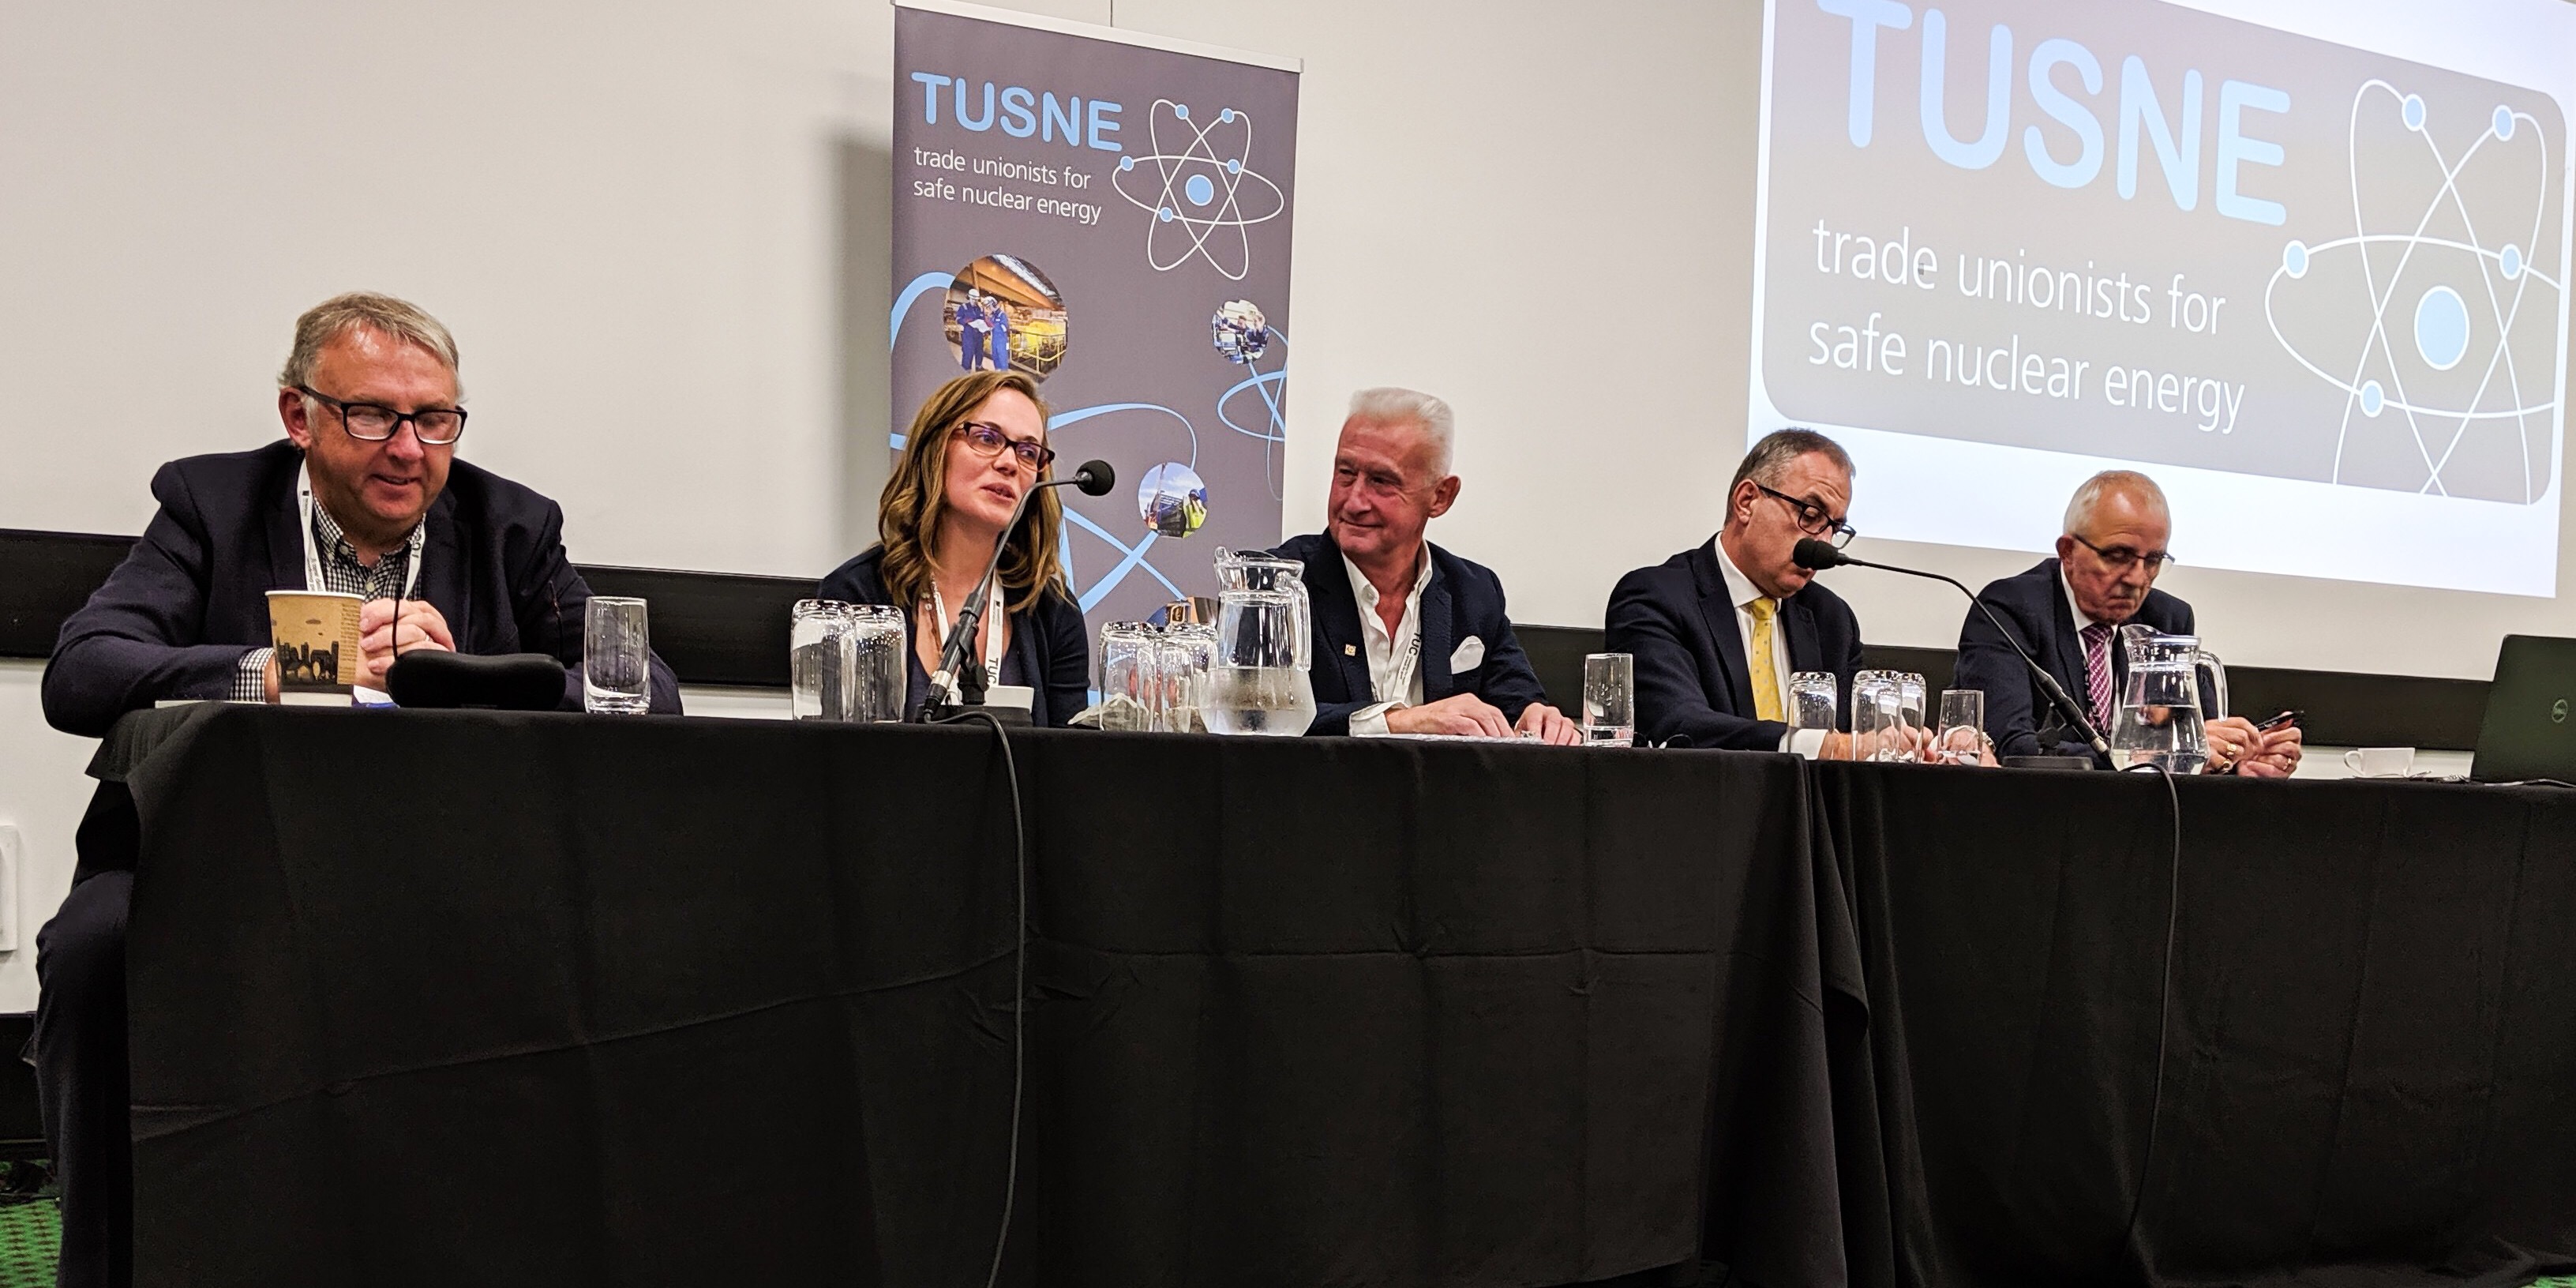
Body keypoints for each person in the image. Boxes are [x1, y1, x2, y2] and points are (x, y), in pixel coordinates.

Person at [35, 290, 680, 1287]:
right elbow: (81, 671)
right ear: (300, 416)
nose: (409, 447)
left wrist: (462, 676)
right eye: (372, 413)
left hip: (447, 871)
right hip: (213, 864)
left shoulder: (512, 527)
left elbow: (648, 692)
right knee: (93, 950)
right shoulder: (211, 505)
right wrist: (270, 670)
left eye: (434, 419)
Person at [1270, 387, 1577, 742]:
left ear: (1441, 496)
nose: (1354, 501)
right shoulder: (1278, 585)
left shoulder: (1474, 591)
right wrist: (1398, 721)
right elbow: (1259, 715)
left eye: (1381, 482)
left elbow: (1518, 704)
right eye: (1345, 473)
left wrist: (1538, 719)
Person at [1955, 471, 2302, 775]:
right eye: (2118, 556)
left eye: (2152, 560)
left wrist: (2238, 760)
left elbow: (2200, 743)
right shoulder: (2007, 611)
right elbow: (2015, 750)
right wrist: (2154, 756)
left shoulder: (2167, 619)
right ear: (2068, 551)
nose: (2137, 579)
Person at [1606, 428, 1921, 757]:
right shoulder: (1656, 599)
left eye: (1835, 529)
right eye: (1810, 516)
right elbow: (1677, 724)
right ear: (1746, 502)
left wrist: (1906, 741)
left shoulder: (1832, 619)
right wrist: (1822, 746)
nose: (1823, 545)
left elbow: (1859, 734)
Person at [819, 369, 1087, 725]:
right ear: (936, 448)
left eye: (1028, 452)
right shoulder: (857, 594)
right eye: (988, 438)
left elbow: (1068, 764)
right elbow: (835, 755)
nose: (1009, 463)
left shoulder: (1053, 611)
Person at [955, 293, 989, 372]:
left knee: (979, 352)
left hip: (979, 334)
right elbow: (958, 319)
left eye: (976, 299)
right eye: (973, 299)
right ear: (969, 298)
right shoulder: (963, 307)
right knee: (968, 352)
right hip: (969, 334)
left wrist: (986, 331)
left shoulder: (980, 309)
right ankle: (966, 370)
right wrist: (966, 320)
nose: (975, 301)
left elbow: (983, 320)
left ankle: (979, 367)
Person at [986, 298, 1013, 373]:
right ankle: (997, 371)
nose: (989, 309)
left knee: (1003, 357)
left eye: (989, 307)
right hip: (995, 339)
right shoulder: (993, 316)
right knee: (995, 356)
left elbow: (1005, 328)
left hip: (1002, 340)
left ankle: (1004, 373)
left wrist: (995, 325)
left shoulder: (1002, 315)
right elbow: (989, 326)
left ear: (994, 305)